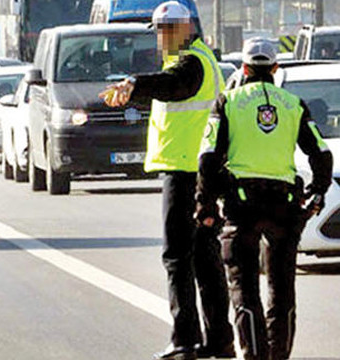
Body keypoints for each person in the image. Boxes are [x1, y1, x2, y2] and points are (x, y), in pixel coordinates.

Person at [100, 2, 234, 359]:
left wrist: (135, 84)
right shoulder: (197, 59)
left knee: (177, 257)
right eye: (159, 31)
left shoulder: (191, 63)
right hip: (200, 172)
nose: (160, 38)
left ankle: (185, 339)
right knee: (204, 259)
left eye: (165, 30)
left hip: (186, 171)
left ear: (185, 28)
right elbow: (173, 89)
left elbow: (175, 86)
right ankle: (219, 340)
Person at [195, 38, 333, 360]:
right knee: (282, 290)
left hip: (241, 206)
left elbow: (207, 158)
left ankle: (254, 355)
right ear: (275, 68)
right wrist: (318, 191)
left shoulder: (227, 102)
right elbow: (321, 153)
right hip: (284, 205)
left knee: (244, 288)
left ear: (243, 68)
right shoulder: (293, 104)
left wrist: (206, 203)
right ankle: (279, 355)